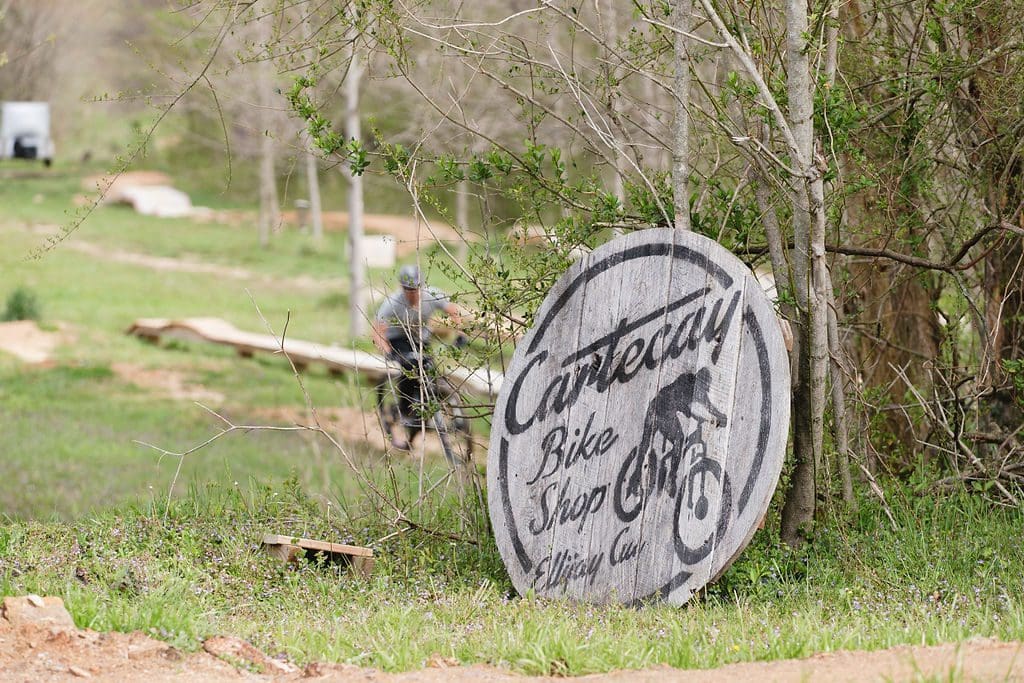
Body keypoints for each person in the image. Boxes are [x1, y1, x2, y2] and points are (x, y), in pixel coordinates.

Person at [372, 264, 461, 449]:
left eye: (415, 289)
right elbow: (378, 330)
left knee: (430, 372)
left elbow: (453, 310)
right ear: (402, 288)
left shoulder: (431, 295)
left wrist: (460, 334)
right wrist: (387, 352)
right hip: (398, 339)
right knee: (409, 366)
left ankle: (427, 412)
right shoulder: (393, 303)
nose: (412, 293)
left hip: (421, 339)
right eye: (408, 289)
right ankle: (405, 409)